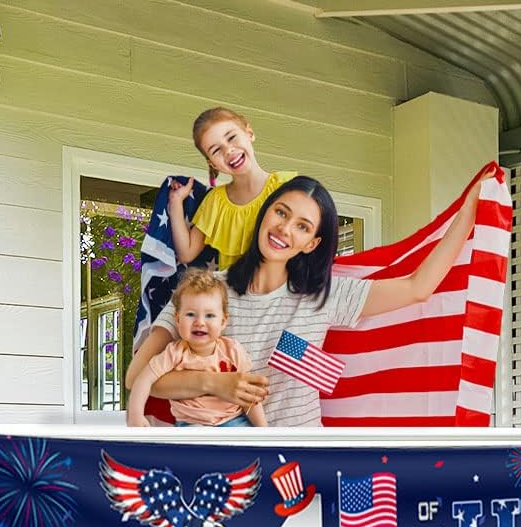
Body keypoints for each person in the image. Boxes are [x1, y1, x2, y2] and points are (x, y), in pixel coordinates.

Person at [128, 168, 497, 427]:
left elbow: (419, 288)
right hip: (229, 465)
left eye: (302, 226)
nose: (284, 229)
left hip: (301, 462)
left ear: (313, 243)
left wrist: (468, 213)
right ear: (263, 214)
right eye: (280, 213)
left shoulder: (326, 295)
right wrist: (214, 383)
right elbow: (136, 378)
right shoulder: (206, 292)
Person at [126, 269, 267, 429]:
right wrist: (136, 416)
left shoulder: (232, 350)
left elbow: (249, 394)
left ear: (223, 322)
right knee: (197, 446)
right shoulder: (174, 353)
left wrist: (263, 431)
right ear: (177, 320)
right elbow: (142, 380)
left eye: (209, 316)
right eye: (191, 314)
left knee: (247, 446)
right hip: (191, 424)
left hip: (234, 421)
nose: (200, 322)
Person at [167, 107, 292, 270]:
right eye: (216, 150)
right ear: (212, 163)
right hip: (236, 293)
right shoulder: (216, 201)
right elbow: (187, 253)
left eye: (232, 137)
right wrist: (175, 202)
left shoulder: (288, 187)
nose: (228, 150)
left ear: (249, 133)